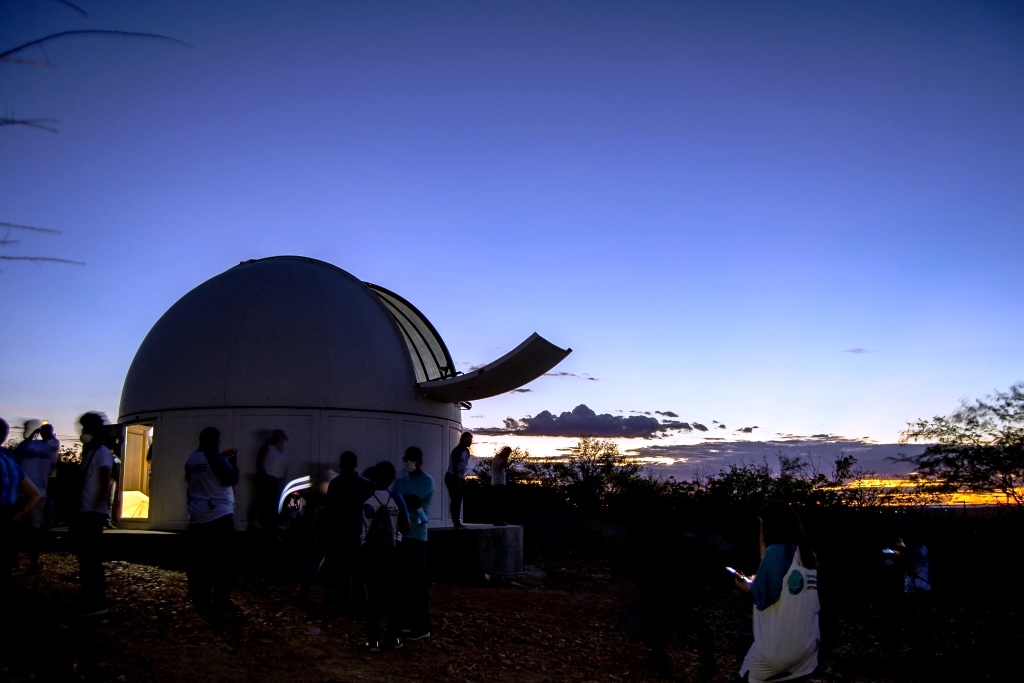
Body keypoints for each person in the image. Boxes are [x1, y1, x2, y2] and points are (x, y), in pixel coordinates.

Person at [734, 501, 820, 683]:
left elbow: (762, 597)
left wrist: (745, 587)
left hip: (778, 651)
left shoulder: (776, 552)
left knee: (746, 677)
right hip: (808, 648)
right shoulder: (807, 555)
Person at [185, 426, 240, 613]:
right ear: (214, 441)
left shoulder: (192, 459)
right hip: (219, 515)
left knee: (201, 561)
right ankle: (221, 600)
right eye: (218, 441)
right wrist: (232, 462)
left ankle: (202, 598)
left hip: (197, 515)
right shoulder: (213, 457)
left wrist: (221, 458)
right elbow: (231, 477)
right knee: (224, 561)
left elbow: (202, 475)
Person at [360, 461, 409, 651]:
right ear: (391, 479)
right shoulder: (397, 499)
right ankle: (394, 638)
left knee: (373, 597)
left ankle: (373, 641)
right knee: (393, 596)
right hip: (393, 551)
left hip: (370, 551)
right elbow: (406, 527)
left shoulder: (366, 499)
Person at [75, 412, 114, 616]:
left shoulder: (101, 452)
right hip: (87, 510)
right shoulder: (91, 452)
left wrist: (98, 506)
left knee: (90, 559)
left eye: (85, 429)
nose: (82, 432)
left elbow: (105, 480)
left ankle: (97, 602)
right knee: (86, 558)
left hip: (92, 512)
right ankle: (90, 598)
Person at [392, 446, 434, 639]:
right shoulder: (400, 482)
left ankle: (422, 626)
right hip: (400, 536)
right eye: (406, 459)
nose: (408, 462)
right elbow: (393, 499)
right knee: (403, 582)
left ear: (419, 461)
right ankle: (407, 622)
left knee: (418, 582)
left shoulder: (427, 480)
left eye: (411, 459)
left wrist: (398, 499)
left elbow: (412, 500)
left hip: (417, 537)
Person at [323, 451, 372, 612]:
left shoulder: (335, 483)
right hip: (359, 531)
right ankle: (359, 602)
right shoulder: (365, 484)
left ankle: (341, 601)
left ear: (341, 464)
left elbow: (330, 509)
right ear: (355, 464)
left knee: (341, 569)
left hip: (340, 530)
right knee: (358, 570)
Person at [13, 420, 59, 574]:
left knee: (17, 526)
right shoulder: (51, 446)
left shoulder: (25, 446)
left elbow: (19, 456)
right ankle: (34, 562)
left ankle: (15, 561)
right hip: (39, 492)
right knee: (35, 527)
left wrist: (33, 433)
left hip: (22, 491)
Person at [1, 418, 43, 586]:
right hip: (8, 516)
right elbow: (35, 494)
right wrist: (17, 516)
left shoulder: (17, 452)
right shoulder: (9, 462)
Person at [254, 429, 288, 533]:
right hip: (268, 481)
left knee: (275, 505)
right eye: (281, 441)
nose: (282, 444)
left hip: (276, 481)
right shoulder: (268, 448)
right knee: (268, 505)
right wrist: (263, 478)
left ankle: (273, 527)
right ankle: (267, 527)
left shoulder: (281, 451)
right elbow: (259, 462)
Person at [445, 432, 472, 528]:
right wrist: (458, 480)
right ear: (463, 440)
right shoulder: (457, 450)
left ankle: (456, 520)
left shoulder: (466, 451)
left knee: (458, 499)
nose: (469, 442)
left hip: (459, 477)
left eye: (470, 440)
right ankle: (455, 521)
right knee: (455, 499)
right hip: (452, 476)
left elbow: (463, 465)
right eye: (468, 440)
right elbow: (455, 466)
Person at [490, 446, 511, 526]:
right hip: (497, 483)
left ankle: (501, 520)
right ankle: (497, 520)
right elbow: (499, 466)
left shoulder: (502, 458)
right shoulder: (497, 458)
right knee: (498, 503)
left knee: (502, 503)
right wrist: (504, 460)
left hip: (501, 483)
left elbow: (505, 466)